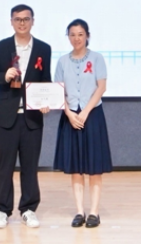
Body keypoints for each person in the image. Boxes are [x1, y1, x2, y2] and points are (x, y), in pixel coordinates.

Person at [0, 4, 52, 229]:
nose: (22, 23)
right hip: (5, 119)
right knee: (5, 167)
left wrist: (46, 101)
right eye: (17, 19)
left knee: (30, 167)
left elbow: (45, 79)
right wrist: (4, 75)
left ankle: (28, 209)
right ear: (11, 21)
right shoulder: (1, 47)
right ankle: (2, 210)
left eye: (26, 19)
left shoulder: (43, 48)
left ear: (33, 21)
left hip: (32, 119)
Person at [53, 19, 112, 228]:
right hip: (70, 117)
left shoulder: (97, 58)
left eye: (80, 34)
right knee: (76, 168)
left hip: (92, 115)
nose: (76, 38)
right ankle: (79, 211)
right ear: (68, 37)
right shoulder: (62, 61)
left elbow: (101, 87)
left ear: (87, 35)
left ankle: (94, 212)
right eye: (72, 35)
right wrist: (69, 114)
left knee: (94, 167)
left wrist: (85, 112)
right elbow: (58, 91)